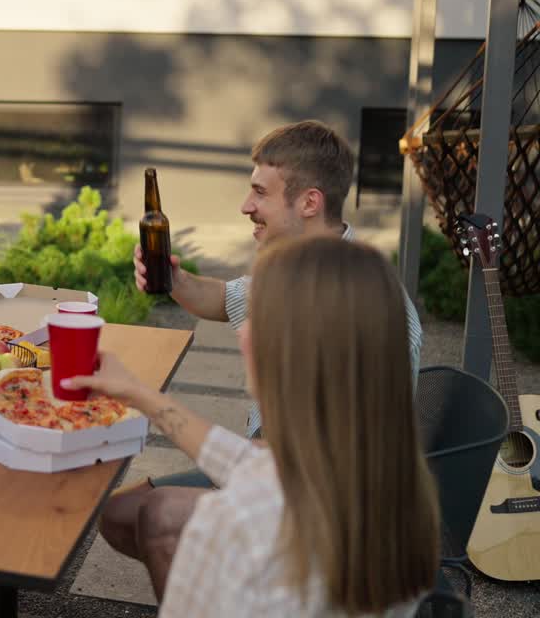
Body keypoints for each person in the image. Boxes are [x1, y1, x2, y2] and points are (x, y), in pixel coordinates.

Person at [101, 120, 425, 594]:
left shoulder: (357, 301)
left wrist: (144, 400)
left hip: (333, 506)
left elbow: (297, 470)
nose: (245, 206)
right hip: (276, 467)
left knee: (160, 518)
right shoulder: (300, 265)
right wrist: (174, 279)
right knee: (116, 514)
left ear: (309, 202)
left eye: (260, 192)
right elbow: (226, 298)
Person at [66, 236, 439, 616]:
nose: (242, 334)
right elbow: (246, 459)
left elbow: (256, 481)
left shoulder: (240, 520)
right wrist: (140, 394)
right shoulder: (392, 483)